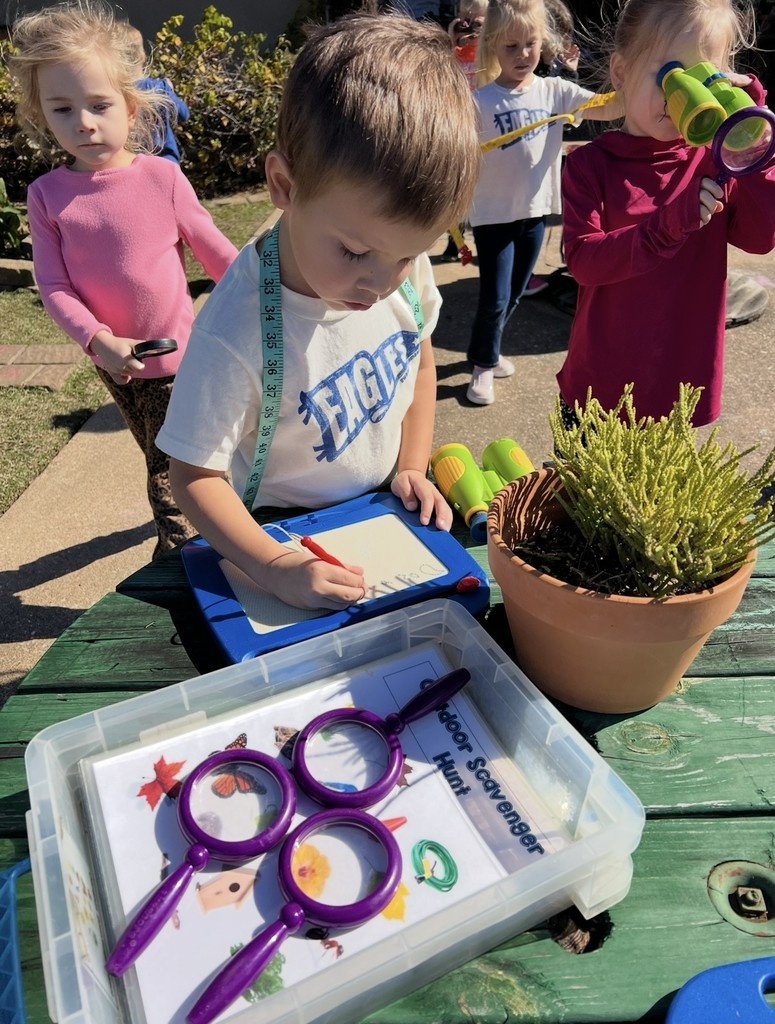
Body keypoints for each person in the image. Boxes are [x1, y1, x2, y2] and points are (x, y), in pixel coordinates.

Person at [156, 11, 480, 612]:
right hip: (280, 534)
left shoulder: (393, 262)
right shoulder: (238, 327)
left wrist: (412, 464)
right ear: (283, 184)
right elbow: (192, 477)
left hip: (385, 509)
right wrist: (275, 565)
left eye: (409, 254)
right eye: (354, 251)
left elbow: (421, 363)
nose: (381, 283)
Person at [9, 1, 239, 558]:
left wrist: (260, 299)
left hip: (178, 360)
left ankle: (186, 559)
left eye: (99, 105)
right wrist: (97, 339)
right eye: (62, 110)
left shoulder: (161, 178)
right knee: (157, 452)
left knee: (169, 477)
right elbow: (55, 286)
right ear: (43, 114)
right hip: (115, 363)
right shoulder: (47, 197)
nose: (83, 123)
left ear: (131, 109)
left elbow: (219, 256)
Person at [556, 0, 775, 428]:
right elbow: (583, 262)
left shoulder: (714, 160)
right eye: (670, 77)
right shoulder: (590, 167)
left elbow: (760, 236)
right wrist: (665, 227)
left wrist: (752, 144)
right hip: (601, 391)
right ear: (621, 72)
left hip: (677, 389)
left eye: (704, 80)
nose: (684, 101)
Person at [465, 0, 619, 405]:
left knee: (516, 293)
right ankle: (481, 365)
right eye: (511, 46)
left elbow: (608, 107)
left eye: (530, 44)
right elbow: (452, 149)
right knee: (495, 297)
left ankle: (491, 350)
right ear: (494, 47)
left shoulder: (555, 91)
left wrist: (641, 81)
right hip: (493, 217)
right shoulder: (478, 102)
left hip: (534, 213)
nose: (522, 55)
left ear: (543, 43)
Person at [123, 24, 189, 164]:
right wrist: (169, 91)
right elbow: (183, 114)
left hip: (130, 163)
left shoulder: (116, 93)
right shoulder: (159, 87)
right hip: (165, 160)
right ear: (142, 56)